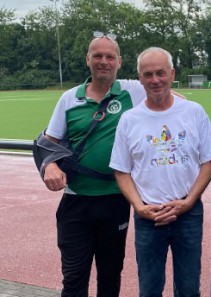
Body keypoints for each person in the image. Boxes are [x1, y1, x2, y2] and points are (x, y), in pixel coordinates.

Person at [41, 32, 147, 297]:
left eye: (109, 56)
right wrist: (50, 166)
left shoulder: (133, 90)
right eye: (97, 56)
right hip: (76, 203)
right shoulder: (69, 98)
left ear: (119, 61)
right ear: (87, 59)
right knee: (74, 277)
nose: (104, 61)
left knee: (110, 277)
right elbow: (46, 143)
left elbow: (168, 94)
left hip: (115, 200)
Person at [110, 47, 211, 297]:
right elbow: (121, 171)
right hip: (148, 215)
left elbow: (209, 163)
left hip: (188, 213)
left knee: (189, 287)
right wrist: (139, 207)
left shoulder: (193, 112)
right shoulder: (129, 119)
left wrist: (188, 201)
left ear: (172, 74)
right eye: (148, 74)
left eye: (161, 73)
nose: (155, 80)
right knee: (149, 288)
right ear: (140, 78)